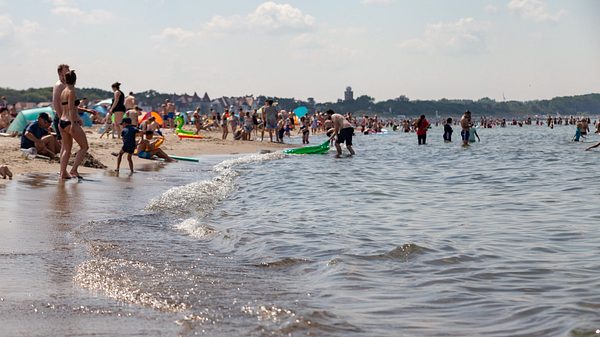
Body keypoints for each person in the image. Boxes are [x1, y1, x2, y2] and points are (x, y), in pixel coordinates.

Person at [58, 70, 89, 180]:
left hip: (61, 121)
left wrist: (78, 117)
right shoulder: (72, 91)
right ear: (75, 80)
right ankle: (74, 169)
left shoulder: (63, 91)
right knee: (84, 146)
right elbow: (71, 109)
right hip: (69, 122)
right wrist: (73, 123)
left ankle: (63, 172)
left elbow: (67, 108)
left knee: (67, 149)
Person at [52, 64, 70, 141]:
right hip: (61, 116)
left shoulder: (65, 84)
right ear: (60, 73)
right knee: (63, 141)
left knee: (66, 141)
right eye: (66, 71)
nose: (68, 72)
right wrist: (61, 117)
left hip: (65, 116)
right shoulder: (59, 85)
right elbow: (55, 102)